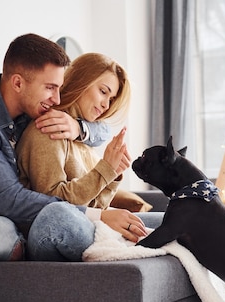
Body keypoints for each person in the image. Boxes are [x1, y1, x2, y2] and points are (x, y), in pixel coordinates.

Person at [0, 33, 147, 262]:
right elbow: (9, 199)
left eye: (59, 88)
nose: (56, 99)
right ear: (17, 83)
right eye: (50, 88)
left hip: (18, 217)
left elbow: (102, 129)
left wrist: (78, 128)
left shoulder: (29, 107)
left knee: (168, 219)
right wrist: (99, 216)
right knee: (2, 232)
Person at [16, 53, 163, 238]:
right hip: (55, 230)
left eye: (111, 99)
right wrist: (104, 170)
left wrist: (113, 175)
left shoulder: (82, 137)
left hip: (85, 223)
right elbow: (54, 205)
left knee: (179, 223)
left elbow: (96, 206)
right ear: (81, 82)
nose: (106, 105)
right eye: (103, 92)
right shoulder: (49, 129)